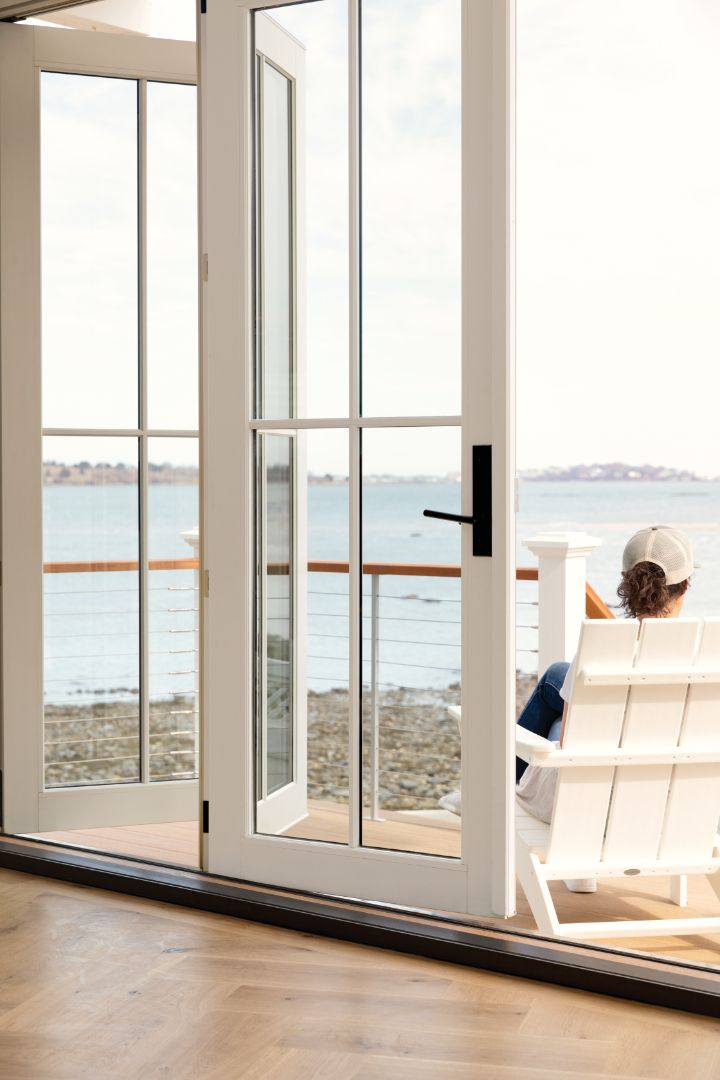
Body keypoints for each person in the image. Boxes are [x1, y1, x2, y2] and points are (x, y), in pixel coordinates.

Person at [515, 524, 694, 892]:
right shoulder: (701, 655)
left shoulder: (598, 652)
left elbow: (570, 740)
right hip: (674, 807)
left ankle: (500, 788)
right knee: (559, 681)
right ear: (685, 586)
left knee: (558, 702)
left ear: (627, 584)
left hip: (590, 805)